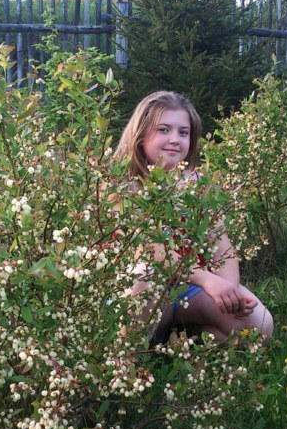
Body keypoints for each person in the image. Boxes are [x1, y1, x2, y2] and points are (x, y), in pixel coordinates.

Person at [113, 90, 274, 344]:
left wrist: (229, 292)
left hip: (190, 291)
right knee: (143, 275)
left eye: (183, 132)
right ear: (140, 135)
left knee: (260, 326)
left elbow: (221, 245)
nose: (174, 139)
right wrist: (206, 279)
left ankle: (183, 340)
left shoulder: (199, 185)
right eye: (163, 130)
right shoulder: (123, 186)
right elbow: (153, 252)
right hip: (140, 291)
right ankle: (127, 356)